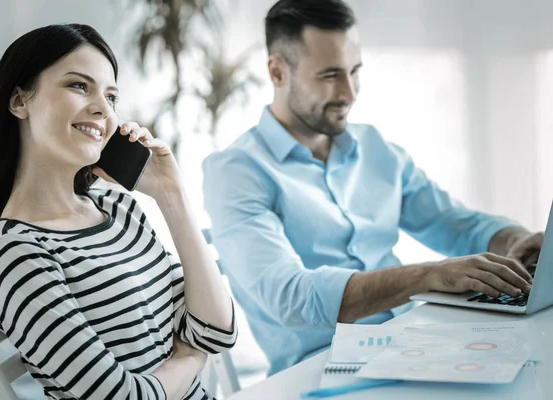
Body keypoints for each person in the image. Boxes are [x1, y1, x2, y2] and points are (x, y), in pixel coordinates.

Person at [202, 0, 542, 376]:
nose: (349, 92)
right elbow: (291, 298)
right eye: (330, 74)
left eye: (355, 71)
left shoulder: (376, 149)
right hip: (319, 371)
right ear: (278, 72)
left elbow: (453, 222)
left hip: (418, 345)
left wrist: (513, 242)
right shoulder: (236, 172)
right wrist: (429, 276)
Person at [0, 23, 236, 400]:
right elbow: (125, 397)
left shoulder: (117, 207)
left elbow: (217, 330)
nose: (102, 109)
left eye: (111, 97)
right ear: (19, 101)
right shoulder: (19, 253)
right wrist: (192, 357)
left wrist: (171, 194)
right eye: (79, 86)